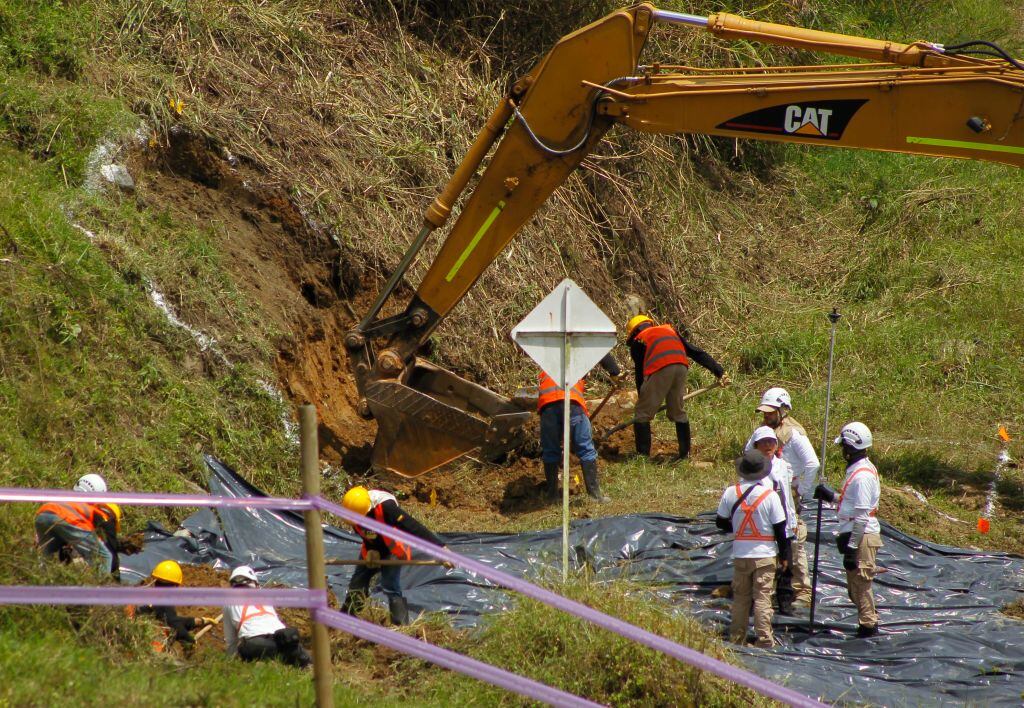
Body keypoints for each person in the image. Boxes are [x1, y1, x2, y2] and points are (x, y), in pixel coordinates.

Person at [744, 387, 818, 604]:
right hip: (765, 493)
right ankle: (772, 584)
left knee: (793, 540)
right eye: (764, 413)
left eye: (770, 412)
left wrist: (800, 490)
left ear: (783, 410)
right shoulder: (764, 431)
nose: (766, 416)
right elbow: (747, 452)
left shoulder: (793, 434)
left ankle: (802, 589)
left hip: (786, 494)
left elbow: (812, 463)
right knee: (768, 537)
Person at [339, 486, 448, 625]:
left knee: (390, 584)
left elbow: (414, 527)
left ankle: (400, 626)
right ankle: (347, 618)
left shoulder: (387, 508)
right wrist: (372, 550)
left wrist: (440, 548)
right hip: (373, 545)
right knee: (358, 580)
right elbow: (366, 533)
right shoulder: (353, 510)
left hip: (392, 547)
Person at [625, 315, 728, 460]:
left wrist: (643, 398)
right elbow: (695, 352)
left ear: (634, 332)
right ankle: (684, 455)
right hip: (681, 366)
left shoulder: (639, 340)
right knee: (678, 412)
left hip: (660, 369)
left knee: (642, 413)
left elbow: (640, 373)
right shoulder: (669, 331)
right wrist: (720, 372)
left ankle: (642, 457)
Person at [814, 422, 882, 639]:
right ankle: (868, 618)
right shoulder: (857, 470)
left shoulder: (862, 477)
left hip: (861, 535)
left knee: (861, 585)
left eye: (843, 446)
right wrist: (832, 496)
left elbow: (862, 516)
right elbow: (851, 503)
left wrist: (852, 547)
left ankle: (868, 628)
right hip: (855, 532)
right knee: (854, 587)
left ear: (850, 448)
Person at [716, 449, 790, 648]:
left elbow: (720, 523)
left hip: (741, 554)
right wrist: (785, 556)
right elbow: (780, 529)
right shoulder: (770, 496)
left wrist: (740, 528)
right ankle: (764, 639)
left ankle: (737, 638)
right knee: (762, 598)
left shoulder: (731, 493)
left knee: (741, 598)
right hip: (765, 555)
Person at [537, 352, 620, 503]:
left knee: (550, 450)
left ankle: (552, 496)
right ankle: (595, 495)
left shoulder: (547, 362)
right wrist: (614, 373)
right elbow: (599, 351)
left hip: (547, 407)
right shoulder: (576, 357)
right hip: (573, 404)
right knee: (585, 448)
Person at [749, 426, 799, 615]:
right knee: (762, 563)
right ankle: (758, 603)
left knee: (787, 563)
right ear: (757, 446)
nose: (768, 446)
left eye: (771, 442)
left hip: (783, 519)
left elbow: (788, 493)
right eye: (764, 443)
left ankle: (784, 602)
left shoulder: (783, 466)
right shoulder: (752, 467)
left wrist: (792, 519)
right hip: (763, 522)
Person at [223, 565, 311, 667]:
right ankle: (299, 661)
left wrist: (230, 660)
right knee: (295, 653)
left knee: (250, 649)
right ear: (255, 583)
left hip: (254, 644)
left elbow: (231, 640)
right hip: (283, 639)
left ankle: (277, 661)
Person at [34, 473, 115, 574]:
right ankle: (100, 588)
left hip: (43, 514)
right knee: (105, 556)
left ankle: (39, 582)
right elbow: (97, 536)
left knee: (48, 558)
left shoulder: (66, 497)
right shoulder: (93, 508)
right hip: (69, 520)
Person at [137, 560, 217, 649]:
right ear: (175, 586)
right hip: (145, 645)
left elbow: (172, 619)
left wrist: (198, 621)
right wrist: (190, 640)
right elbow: (175, 625)